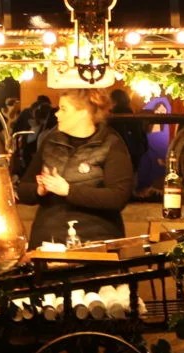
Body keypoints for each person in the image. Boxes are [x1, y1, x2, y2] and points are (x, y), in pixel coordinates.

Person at [14, 89, 133, 249]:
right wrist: (39, 190)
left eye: (63, 109)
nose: (57, 114)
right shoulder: (50, 142)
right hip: (48, 239)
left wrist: (69, 191)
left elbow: (118, 197)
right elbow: (23, 189)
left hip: (95, 238)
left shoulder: (110, 144)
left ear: (83, 112)